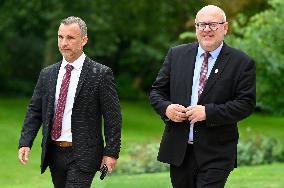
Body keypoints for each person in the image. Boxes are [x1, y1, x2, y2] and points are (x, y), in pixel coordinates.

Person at [149, 5, 255, 188]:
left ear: (225, 28)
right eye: (202, 25)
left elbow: (246, 104)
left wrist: (209, 112)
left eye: (213, 25)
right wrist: (167, 108)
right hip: (180, 151)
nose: (206, 29)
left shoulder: (241, 62)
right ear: (196, 28)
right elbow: (156, 91)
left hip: (217, 152)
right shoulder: (176, 55)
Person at [18, 16, 122, 188]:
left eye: (70, 38)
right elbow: (35, 110)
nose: (63, 43)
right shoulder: (47, 74)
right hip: (54, 153)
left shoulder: (100, 74)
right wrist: (25, 142)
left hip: (83, 154)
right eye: (60, 37)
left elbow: (113, 117)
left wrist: (111, 152)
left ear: (84, 40)